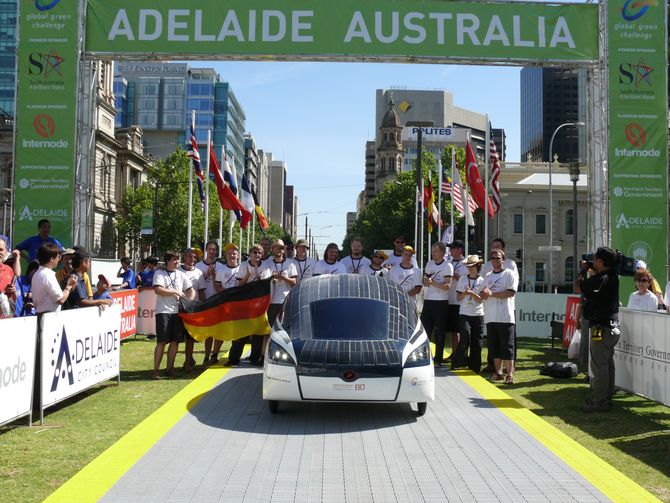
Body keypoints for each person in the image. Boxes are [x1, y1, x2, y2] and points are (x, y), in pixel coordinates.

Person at [577, 246, 620, 412]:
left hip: (601, 329)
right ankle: (606, 397)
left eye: (594, 259)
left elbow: (582, 287)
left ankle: (599, 402)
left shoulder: (603, 278)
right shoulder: (612, 277)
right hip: (611, 327)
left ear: (601, 262)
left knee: (599, 366)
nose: (592, 262)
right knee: (607, 364)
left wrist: (583, 270)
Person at [152, 250, 195, 379]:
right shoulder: (159, 273)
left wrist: (189, 301)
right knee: (162, 341)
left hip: (178, 312)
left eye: (178, 259)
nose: (177, 261)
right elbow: (157, 289)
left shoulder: (181, 274)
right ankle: (156, 370)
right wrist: (175, 292)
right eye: (175, 259)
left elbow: (191, 290)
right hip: (163, 311)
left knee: (176, 341)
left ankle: (169, 368)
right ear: (168, 261)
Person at [480, 249, 517, 385]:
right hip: (491, 316)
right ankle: (498, 372)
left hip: (505, 316)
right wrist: (484, 294)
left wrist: (491, 294)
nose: (495, 260)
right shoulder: (488, 276)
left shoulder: (509, 274)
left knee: (507, 346)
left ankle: (510, 374)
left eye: (498, 258)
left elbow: (510, 293)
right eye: (493, 258)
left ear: (503, 259)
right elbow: (482, 295)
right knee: (494, 346)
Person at [260, 239, 297, 365]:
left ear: (284, 250)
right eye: (276, 248)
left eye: (281, 248)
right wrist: (272, 280)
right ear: (272, 249)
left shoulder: (291, 264)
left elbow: (294, 282)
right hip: (271, 301)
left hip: (285, 300)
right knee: (268, 330)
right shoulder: (268, 263)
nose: (279, 250)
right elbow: (263, 280)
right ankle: (264, 356)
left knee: (284, 331)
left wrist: (283, 278)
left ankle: (284, 356)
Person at [237, 243, 272, 365]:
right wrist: (247, 275)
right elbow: (239, 285)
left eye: (259, 253)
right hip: (245, 301)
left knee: (258, 331)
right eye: (254, 252)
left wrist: (257, 274)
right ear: (250, 254)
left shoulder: (266, 266)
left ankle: (255, 356)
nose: (257, 255)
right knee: (243, 329)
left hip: (259, 303)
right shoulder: (243, 265)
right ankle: (234, 357)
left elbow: (264, 285)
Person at [420, 242, 453, 367]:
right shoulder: (429, 263)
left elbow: (447, 286)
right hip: (428, 301)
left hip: (441, 302)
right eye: (432, 251)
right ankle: (424, 357)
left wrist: (432, 283)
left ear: (443, 253)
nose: (433, 254)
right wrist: (425, 281)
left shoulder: (447, 266)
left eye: (436, 251)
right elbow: (426, 279)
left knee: (439, 332)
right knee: (425, 331)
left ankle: (438, 359)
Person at [454, 255, 485, 372]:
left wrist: (471, 293)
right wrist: (465, 293)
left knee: (477, 341)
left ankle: (475, 367)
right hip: (464, 313)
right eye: (468, 266)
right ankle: (457, 362)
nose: (470, 268)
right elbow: (458, 298)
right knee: (464, 338)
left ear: (478, 266)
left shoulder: (482, 280)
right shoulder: (462, 280)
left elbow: (481, 299)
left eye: (472, 266)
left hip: (478, 314)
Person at [211, 243, 241, 366]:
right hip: (224, 304)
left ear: (238, 255)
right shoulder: (221, 270)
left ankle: (234, 357)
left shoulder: (242, 268)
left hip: (237, 305)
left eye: (234, 253)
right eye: (229, 254)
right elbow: (217, 286)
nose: (232, 256)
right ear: (226, 256)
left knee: (237, 332)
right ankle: (214, 355)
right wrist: (228, 293)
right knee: (221, 331)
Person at [195, 241, 224, 364]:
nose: (212, 251)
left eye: (214, 249)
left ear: (216, 251)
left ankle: (214, 355)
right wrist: (208, 274)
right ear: (206, 250)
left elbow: (222, 283)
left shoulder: (222, 266)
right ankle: (206, 356)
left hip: (218, 301)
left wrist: (214, 275)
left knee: (219, 330)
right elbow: (197, 283)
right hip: (205, 302)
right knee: (208, 332)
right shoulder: (198, 266)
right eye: (210, 249)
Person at [31, 243, 78, 314]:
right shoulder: (47, 275)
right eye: (58, 257)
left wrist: (68, 289)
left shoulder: (37, 273)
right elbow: (61, 299)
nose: (59, 259)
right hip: (49, 317)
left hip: (41, 314)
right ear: (52, 259)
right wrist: (69, 285)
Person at [179, 248, 204, 372]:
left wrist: (202, 307)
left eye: (194, 257)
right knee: (176, 338)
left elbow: (201, 291)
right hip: (177, 308)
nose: (192, 259)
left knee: (190, 338)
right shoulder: (177, 270)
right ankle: (170, 365)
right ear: (184, 257)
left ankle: (188, 362)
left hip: (192, 309)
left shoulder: (199, 272)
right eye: (190, 256)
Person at [445, 240, 467, 362]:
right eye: (451, 248)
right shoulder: (448, 263)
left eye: (453, 248)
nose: (451, 250)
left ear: (460, 249)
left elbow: (468, 281)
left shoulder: (466, 263)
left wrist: (457, 277)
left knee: (461, 331)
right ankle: (454, 354)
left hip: (461, 301)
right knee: (453, 330)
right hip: (450, 300)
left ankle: (462, 355)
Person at [388, 246, 422, 311]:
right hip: (396, 303)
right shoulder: (393, 270)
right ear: (402, 254)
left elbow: (418, 289)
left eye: (410, 255)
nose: (408, 257)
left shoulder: (417, 271)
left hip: (411, 304)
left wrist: (404, 296)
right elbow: (390, 286)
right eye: (406, 254)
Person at [0, 234, 20, 313]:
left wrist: (13, 291)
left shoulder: (9, 270)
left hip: (6, 318)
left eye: (1, 249)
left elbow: (14, 298)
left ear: (6, 251)